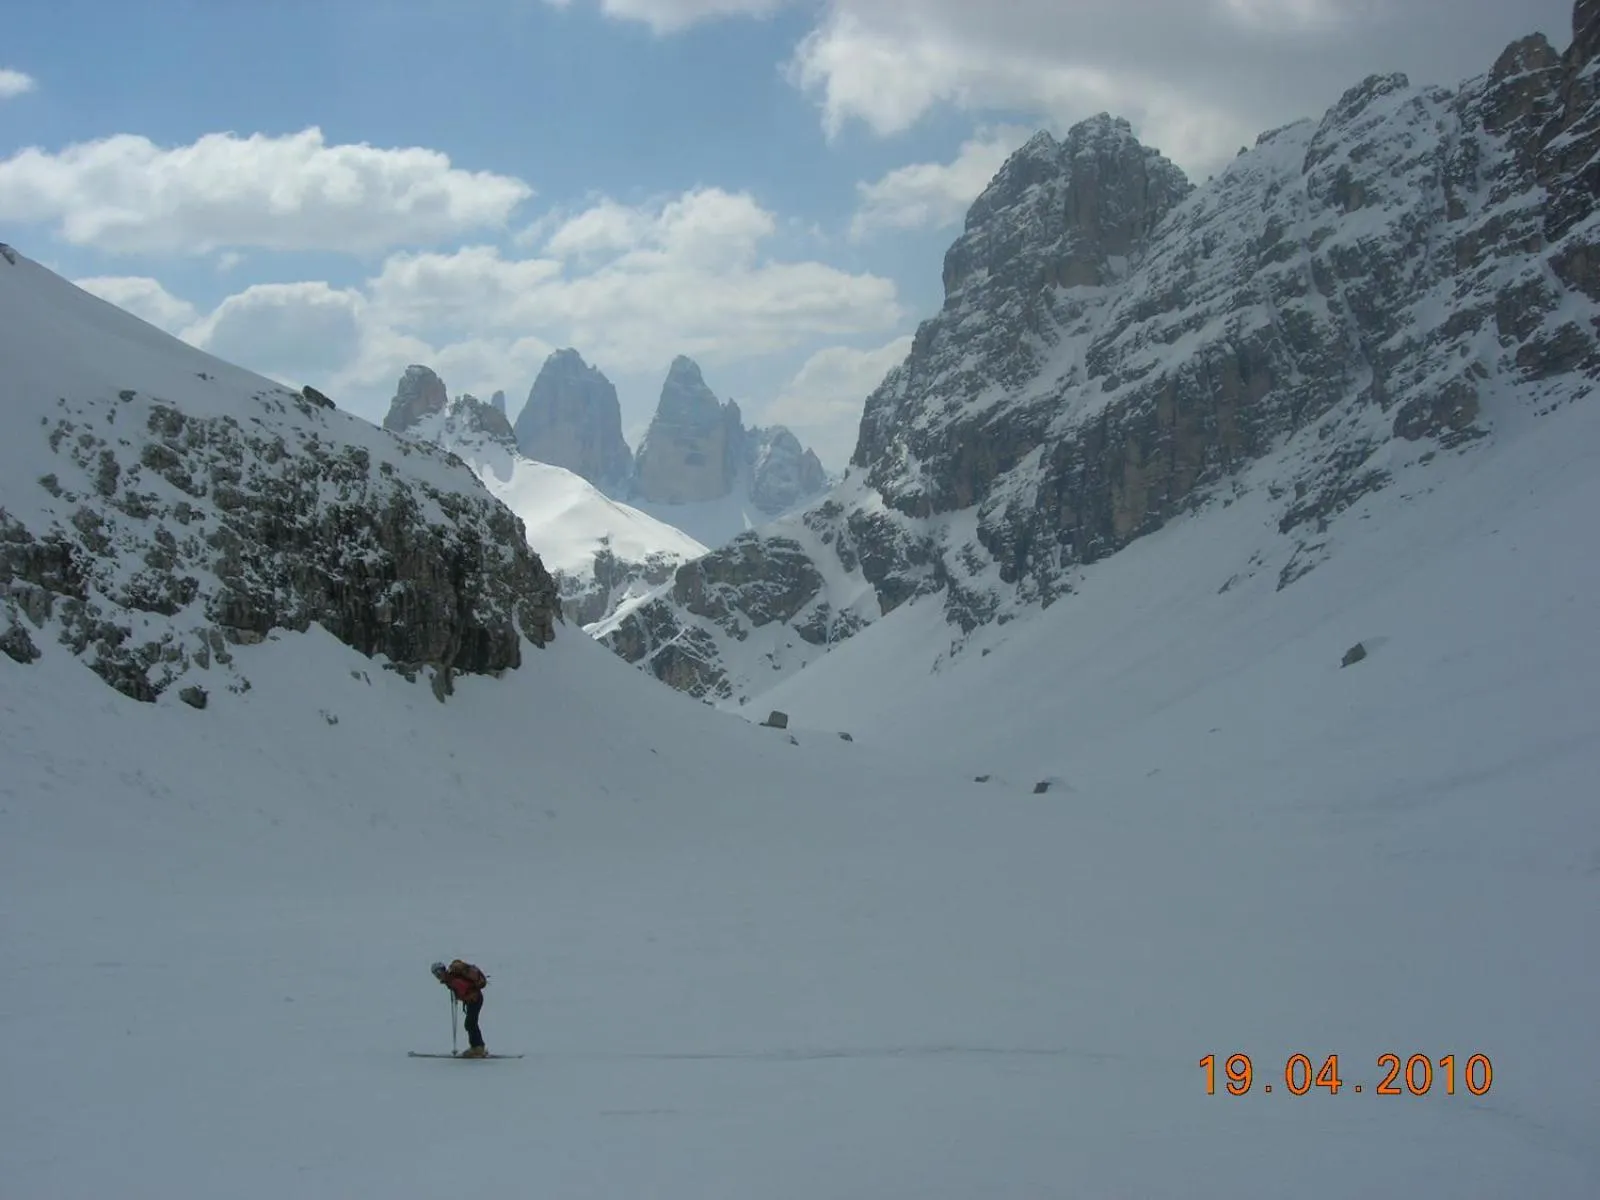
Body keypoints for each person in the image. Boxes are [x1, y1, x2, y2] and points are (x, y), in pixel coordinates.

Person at [432, 959, 489, 1057]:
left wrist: (459, 994)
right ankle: (478, 1047)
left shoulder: (452, 979)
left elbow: (463, 988)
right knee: (471, 1023)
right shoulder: (450, 978)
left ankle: (478, 1048)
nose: (437, 976)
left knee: (470, 1023)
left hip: (474, 999)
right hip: (474, 999)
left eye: (438, 973)